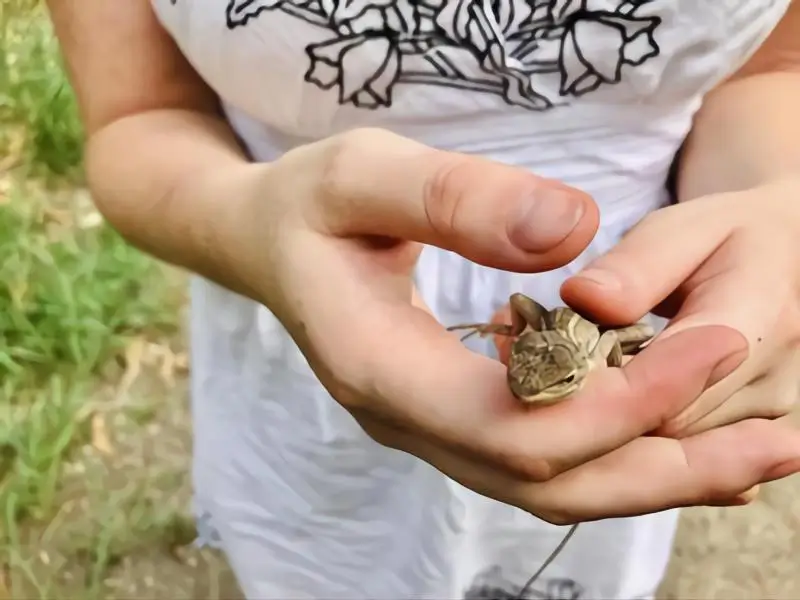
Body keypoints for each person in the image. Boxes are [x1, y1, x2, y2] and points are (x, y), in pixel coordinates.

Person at [47, 0, 800, 598]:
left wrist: (775, 209)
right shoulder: (538, 359)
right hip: (295, 325)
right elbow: (135, 110)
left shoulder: (586, 355)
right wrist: (249, 227)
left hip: (618, 305)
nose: (533, 388)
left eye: (554, 380)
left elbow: (773, 65)